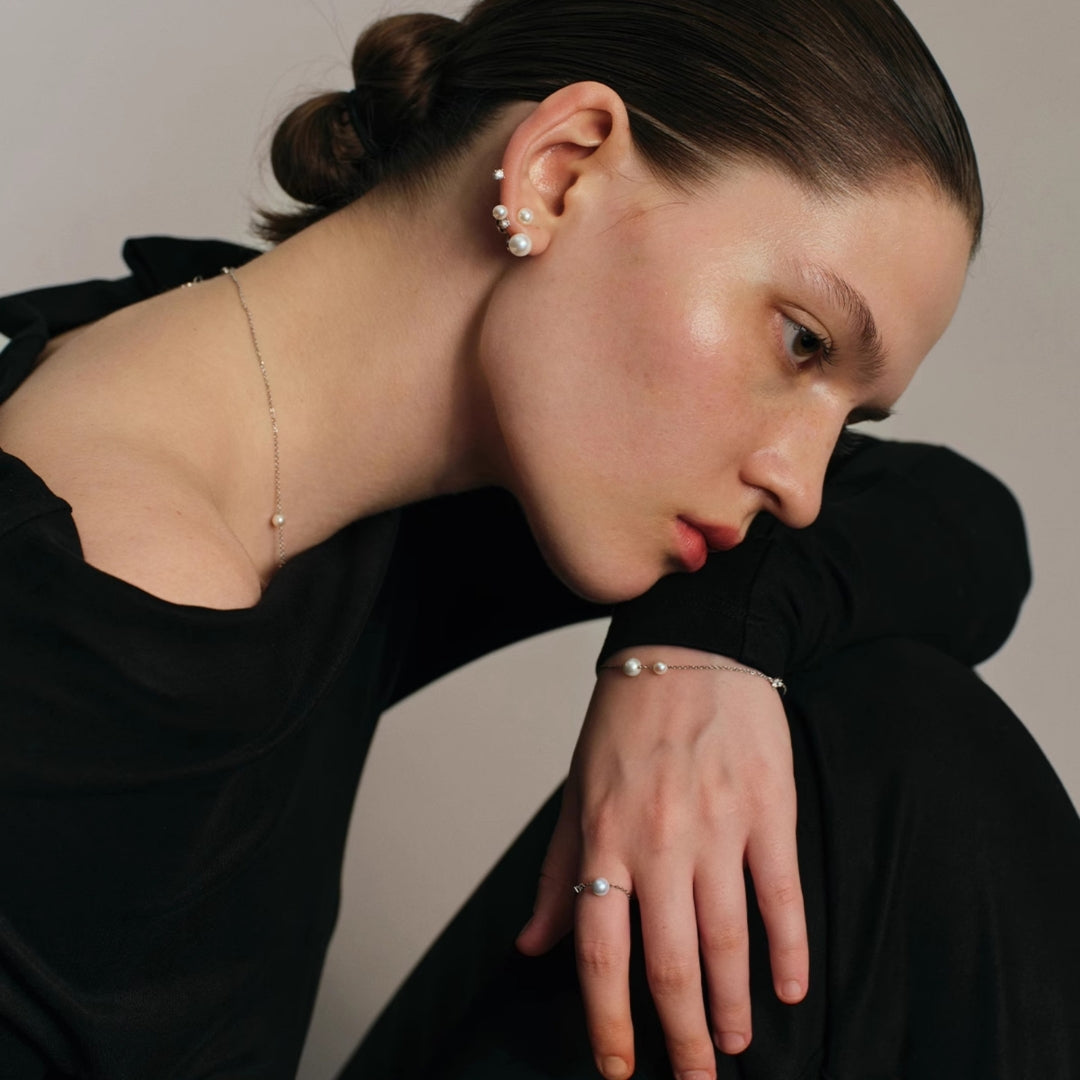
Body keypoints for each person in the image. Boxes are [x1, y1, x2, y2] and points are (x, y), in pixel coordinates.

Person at [0, 2, 1075, 1079]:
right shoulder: (66, 616)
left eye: (849, 412)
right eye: (803, 342)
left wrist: (698, 647)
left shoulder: (311, 439)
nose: (797, 484)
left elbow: (961, 523)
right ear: (561, 171)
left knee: (897, 741)